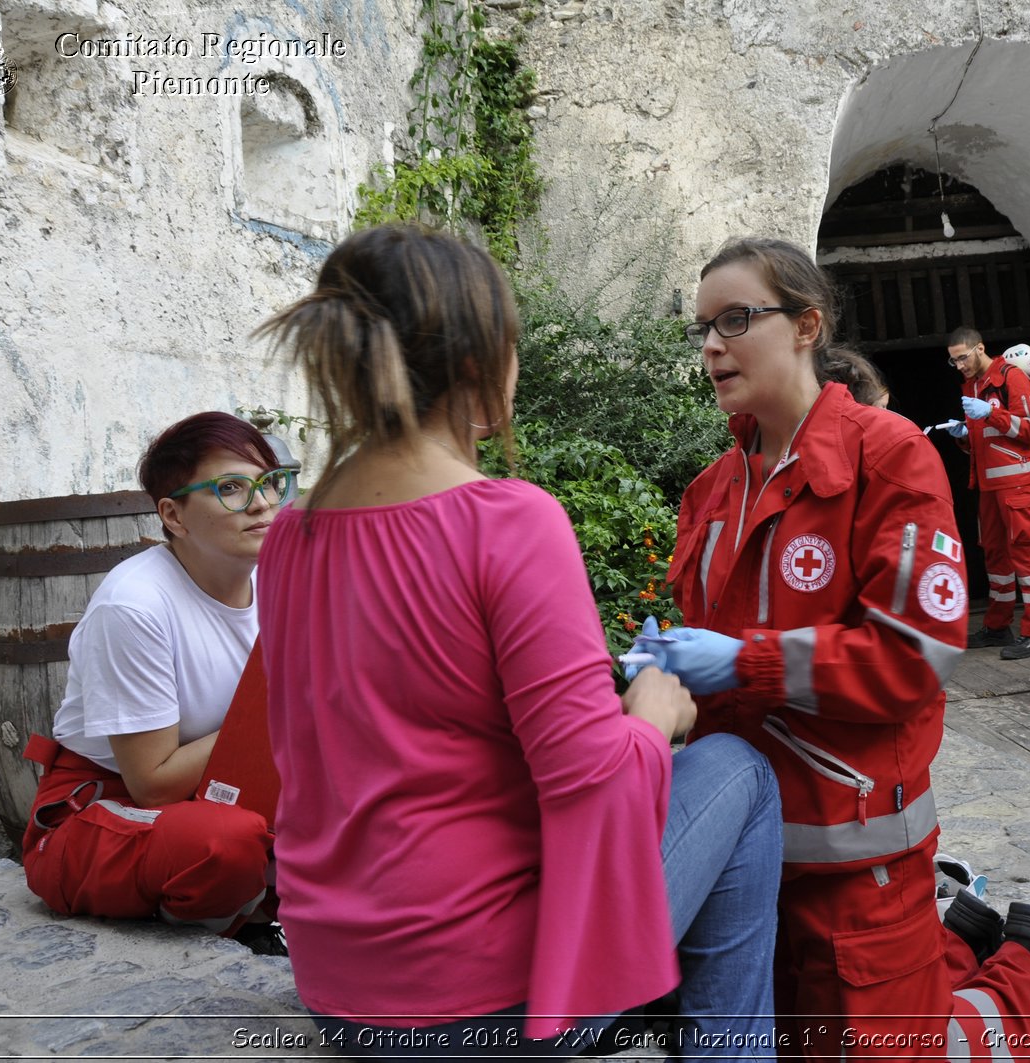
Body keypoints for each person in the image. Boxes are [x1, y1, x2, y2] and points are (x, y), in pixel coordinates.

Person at [252, 223, 783, 1060]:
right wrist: (651, 715)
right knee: (739, 774)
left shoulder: (289, 535)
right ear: (477, 362)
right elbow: (590, 781)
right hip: (485, 999)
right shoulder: (507, 520)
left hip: (340, 988)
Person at [636, 237, 1030, 1062]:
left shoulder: (887, 455)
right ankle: (961, 934)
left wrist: (741, 660)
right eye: (701, 326)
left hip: (858, 868)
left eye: (735, 319)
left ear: (807, 324)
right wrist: (657, 674)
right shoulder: (711, 490)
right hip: (748, 872)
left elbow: (913, 655)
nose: (710, 345)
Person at [20, 412, 291, 954]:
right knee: (224, 844)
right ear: (174, 515)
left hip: (229, 783)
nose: (261, 503)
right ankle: (243, 919)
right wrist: (277, 711)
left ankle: (277, 897)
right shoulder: (135, 606)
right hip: (109, 810)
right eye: (230, 488)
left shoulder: (277, 577)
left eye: (268, 483)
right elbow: (154, 782)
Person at [945, 329, 1030, 659]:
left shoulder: (1011, 377)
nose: (959, 364)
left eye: (963, 356)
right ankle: (997, 626)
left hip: (1017, 484)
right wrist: (963, 437)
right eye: (953, 359)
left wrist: (990, 413)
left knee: (1026, 557)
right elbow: (986, 441)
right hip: (989, 487)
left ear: (980, 348)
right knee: (995, 557)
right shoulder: (972, 385)